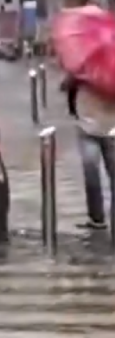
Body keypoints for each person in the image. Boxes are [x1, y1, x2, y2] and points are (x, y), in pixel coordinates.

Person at [66, 74, 115, 230]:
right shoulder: (83, 72)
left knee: (92, 173)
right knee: (93, 174)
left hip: (95, 126)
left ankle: (97, 217)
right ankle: (97, 218)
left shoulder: (83, 70)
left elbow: (69, 90)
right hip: (92, 126)